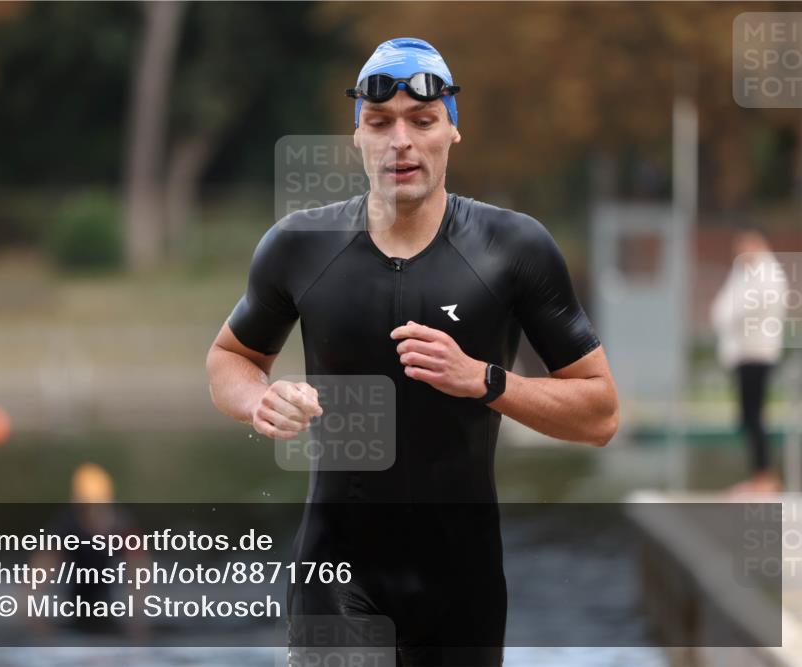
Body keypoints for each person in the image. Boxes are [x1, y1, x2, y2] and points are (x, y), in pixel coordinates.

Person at [206, 37, 619, 666]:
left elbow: (600, 414)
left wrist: (485, 380)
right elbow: (229, 357)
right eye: (379, 124)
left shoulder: (514, 249)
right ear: (357, 139)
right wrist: (260, 399)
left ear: (452, 131)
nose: (401, 140)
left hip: (462, 586)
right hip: (335, 573)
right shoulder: (300, 246)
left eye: (422, 121)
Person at [711, 229, 788, 495]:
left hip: (758, 354)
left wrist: (730, 315)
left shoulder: (768, 277)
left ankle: (765, 478)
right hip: (743, 355)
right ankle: (761, 476)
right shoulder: (743, 274)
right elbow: (724, 309)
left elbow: (740, 310)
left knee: (755, 417)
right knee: (748, 417)